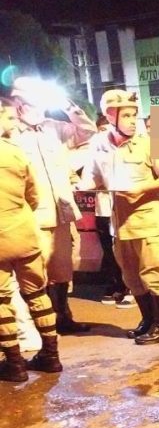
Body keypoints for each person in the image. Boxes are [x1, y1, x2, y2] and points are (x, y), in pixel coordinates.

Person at [79, 90, 159, 345]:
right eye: (127, 115)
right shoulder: (99, 144)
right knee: (131, 277)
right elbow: (92, 178)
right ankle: (148, 320)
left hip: (147, 221)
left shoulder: (150, 142)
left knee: (153, 274)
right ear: (111, 115)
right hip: (118, 224)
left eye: (135, 115)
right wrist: (79, 186)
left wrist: (141, 189)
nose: (133, 120)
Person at [10, 76, 96, 334]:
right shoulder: (10, 134)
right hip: (32, 216)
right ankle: (40, 322)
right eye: (32, 102)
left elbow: (88, 131)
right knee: (35, 271)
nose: (38, 107)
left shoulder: (53, 128)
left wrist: (68, 106)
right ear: (19, 104)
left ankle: (63, 316)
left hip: (61, 212)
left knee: (62, 269)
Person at [0, 97, 62, 382]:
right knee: (37, 294)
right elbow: (33, 195)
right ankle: (51, 356)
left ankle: (14, 364)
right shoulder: (15, 153)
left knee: (1, 300)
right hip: (24, 234)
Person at [86, 114, 132, 306]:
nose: (103, 135)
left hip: (121, 208)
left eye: (107, 130)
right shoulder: (94, 153)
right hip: (102, 209)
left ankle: (130, 287)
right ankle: (116, 285)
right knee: (109, 251)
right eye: (101, 130)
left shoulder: (125, 151)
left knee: (126, 250)